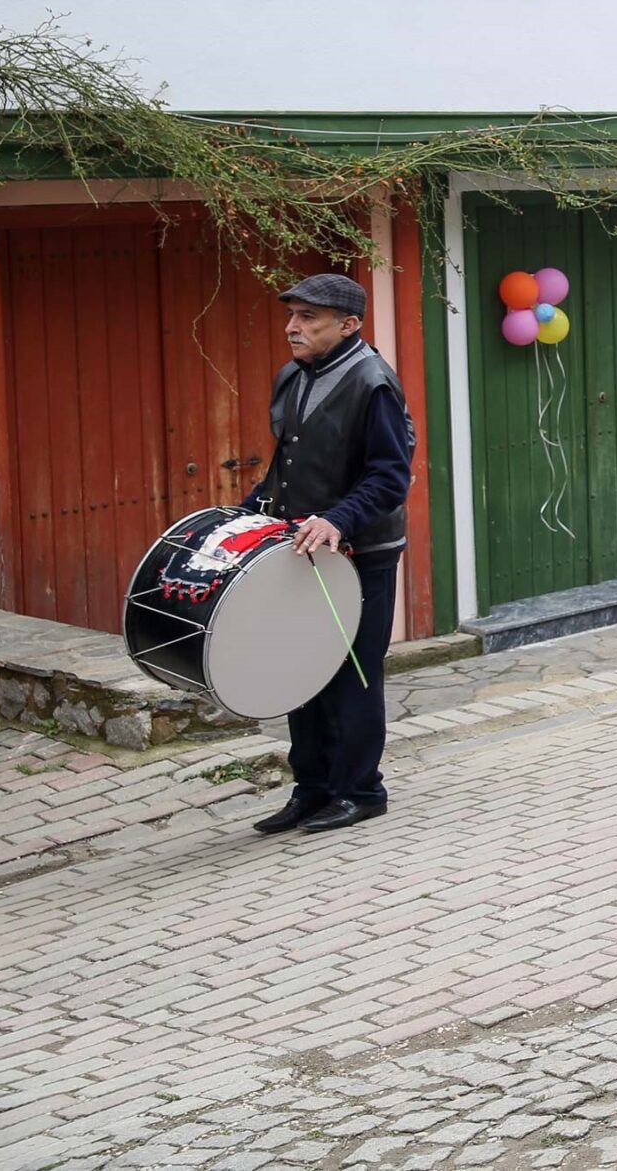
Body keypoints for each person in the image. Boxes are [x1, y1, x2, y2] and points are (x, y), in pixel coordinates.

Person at [242, 274, 415, 837]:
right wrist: (247, 515)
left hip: (362, 553)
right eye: (292, 315)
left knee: (352, 672)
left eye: (308, 318)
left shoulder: (374, 383)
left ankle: (361, 791)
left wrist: (338, 518)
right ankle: (312, 790)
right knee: (301, 671)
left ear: (349, 325)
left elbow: (390, 477)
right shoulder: (291, 376)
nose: (293, 327)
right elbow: (286, 465)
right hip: (302, 549)